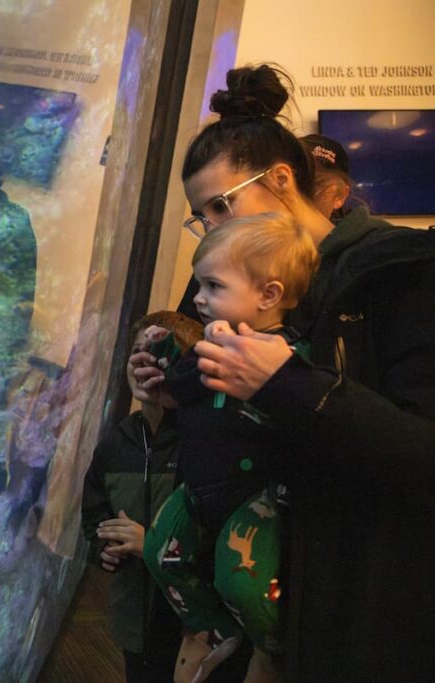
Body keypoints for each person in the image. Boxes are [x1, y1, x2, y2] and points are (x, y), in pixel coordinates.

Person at [135, 64, 435, 681]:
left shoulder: (399, 274)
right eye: (203, 215)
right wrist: (166, 392)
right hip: (236, 570)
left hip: (348, 602)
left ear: (279, 179)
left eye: (222, 204)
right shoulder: (228, 267)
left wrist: (292, 385)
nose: (215, 227)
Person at [142, 213, 318, 683]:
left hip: (254, 496)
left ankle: (269, 648)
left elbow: (302, 413)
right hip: (200, 485)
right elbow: (179, 389)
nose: (198, 298)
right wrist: (168, 360)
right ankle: (212, 629)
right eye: (199, 284)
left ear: (269, 295)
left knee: (240, 580)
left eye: (213, 286)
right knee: (160, 553)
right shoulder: (208, 343)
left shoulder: (290, 354)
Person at [82, 310, 201, 682]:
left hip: (190, 625)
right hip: (133, 618)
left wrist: (150, 544)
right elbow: (94, 513)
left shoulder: (201, 443)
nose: (143, 363)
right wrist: (102, 548)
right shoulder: (115, 444)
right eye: (137, 351)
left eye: (159, 354)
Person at [299, 133, 354, 221]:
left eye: (316, 183)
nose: (299, 191)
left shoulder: (373, 233)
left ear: (340, 196)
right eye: (296, 177)